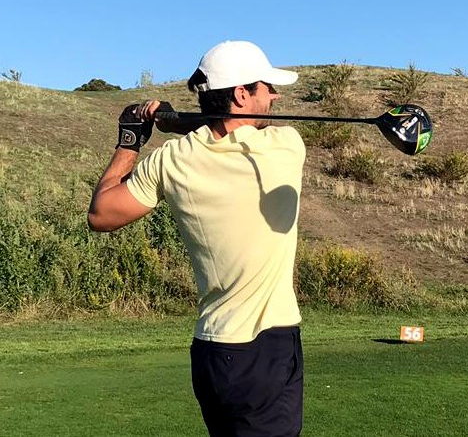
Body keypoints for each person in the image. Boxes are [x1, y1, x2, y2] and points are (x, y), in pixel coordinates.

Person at [88, 40, 306, 437]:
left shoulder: (170, 160)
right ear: (241, 94)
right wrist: (179, 121)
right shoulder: (286, 146)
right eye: (266, 87)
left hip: (213, 350)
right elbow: (231, 133)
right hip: (268, 348)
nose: (275, 95)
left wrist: (129, 141)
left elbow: (101, 214)